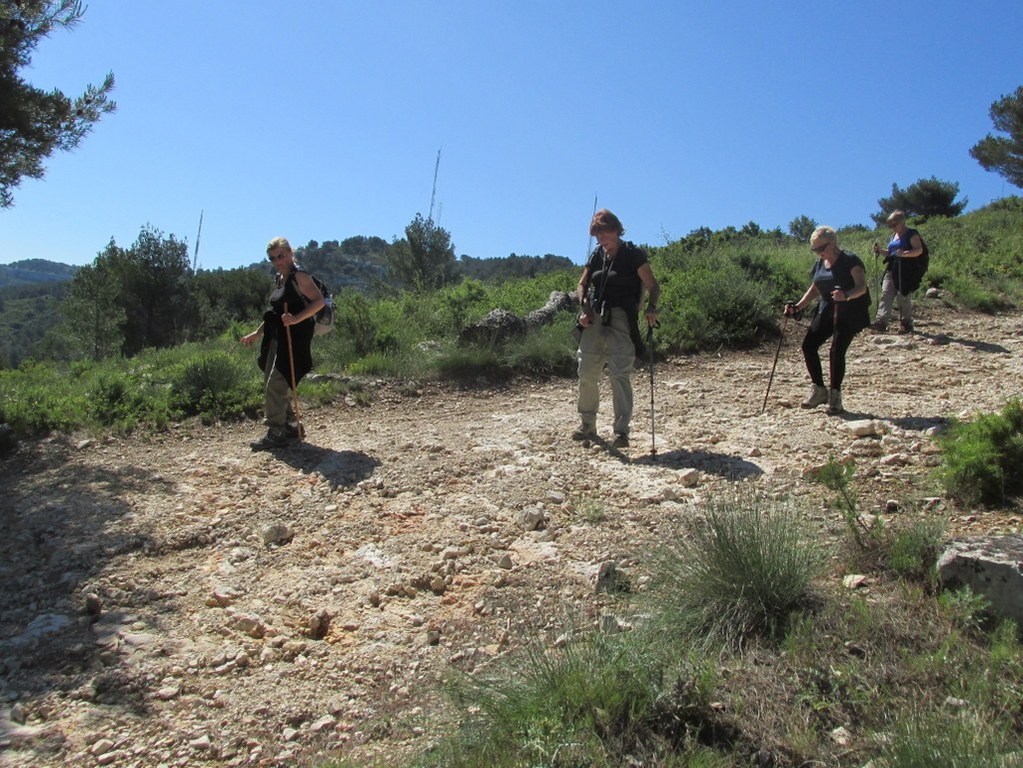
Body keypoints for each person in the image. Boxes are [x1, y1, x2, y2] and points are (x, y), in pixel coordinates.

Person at [574, 209, 660, 447]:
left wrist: (651, 308)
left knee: (619, 373)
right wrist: (583, 307)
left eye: (605, 233)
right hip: (594, 316)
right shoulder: (596, 256)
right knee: (587, 371)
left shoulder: (633, 254)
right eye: (598, 235)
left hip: (622, 318)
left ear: (616, 230)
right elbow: (582, 284)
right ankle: (587, 424)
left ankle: (621, 431)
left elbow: (653, 286)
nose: (602, 239)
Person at [241, 237, 325, 449]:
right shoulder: (280, 278)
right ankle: (290, 425)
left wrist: (296, 319)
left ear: (290, 253)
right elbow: (275, 314)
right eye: (272, 258)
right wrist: (257, 334)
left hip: (296, 337)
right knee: (276, 379)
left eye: (281, 255)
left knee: (276, 383)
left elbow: (319, 302)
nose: (277, 261)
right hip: (278, 337)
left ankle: (276, 431)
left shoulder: (300, 276)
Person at [784, 226, 870, 415]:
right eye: (814, 250)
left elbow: (862, 287)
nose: (818, 253)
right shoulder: (821, 264)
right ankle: (819, 390)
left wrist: (846, 295)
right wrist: (798, 307)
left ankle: (835, 396)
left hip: (849, 312)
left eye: (820, 249)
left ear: (832, 244)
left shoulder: (850, 260)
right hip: (827, 309)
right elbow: (816, 288)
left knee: (836, 350)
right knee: (809, 346)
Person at [871, 209, 926, 334]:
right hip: (892, 268)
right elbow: (891, 253)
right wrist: (879, 250)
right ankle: (881, 322)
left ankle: (906, 323)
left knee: (903, 295)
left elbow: (918, 250)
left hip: (906, 270)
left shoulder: (911, 234)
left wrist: (905, 254)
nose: (892, 227)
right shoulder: (893, 236)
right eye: (890, 225)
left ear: (903, 222)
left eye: (894, 224)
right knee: (886, 293)